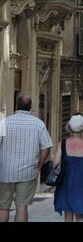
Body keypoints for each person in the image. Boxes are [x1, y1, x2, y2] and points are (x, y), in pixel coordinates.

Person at [0, 94, 52, 222]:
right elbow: (46, 147)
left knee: (3, 206)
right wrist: (39, 165)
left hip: (5, 171)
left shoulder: (4, 122)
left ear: (16, 106)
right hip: (28, 171)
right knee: (22, 207)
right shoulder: (38, 124)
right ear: (30, 107)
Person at [53, 114, 83, 222]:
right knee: (80, 215)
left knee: (68, 215)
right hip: (82, 182)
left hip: (66, 182)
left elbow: (56, 164)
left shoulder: (62, 143)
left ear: (69, 127)